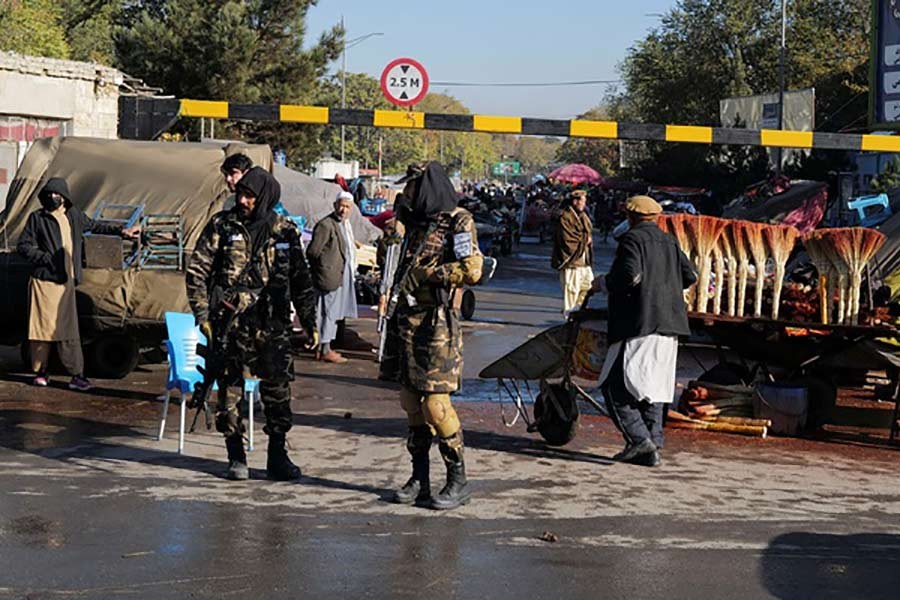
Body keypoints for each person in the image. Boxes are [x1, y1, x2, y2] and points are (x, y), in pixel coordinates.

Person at [186, 167, 317, 481]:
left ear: (266, 196)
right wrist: (203, 316)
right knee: (229, 393)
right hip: (231, 326)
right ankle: (236, 456)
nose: (243, 200)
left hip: (273, 326)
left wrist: (310, 321)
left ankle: (277, 457)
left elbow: (301, 281)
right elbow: (197, 273)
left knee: (278, 393)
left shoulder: (285, 231)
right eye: (240, 193)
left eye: (250, 195)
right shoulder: (222, 224)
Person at [380, 162, 483, 510]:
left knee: (436, 405)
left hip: (436, 325)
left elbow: (472, 269)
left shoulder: (457, 220)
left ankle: (458, 480)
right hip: (405, 322)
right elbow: (390, 262)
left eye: (410, 187)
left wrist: (430, 275)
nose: (405, 193)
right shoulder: (412, 223)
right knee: (410, 403)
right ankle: (419, 478)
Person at [593, 195, 697, 467]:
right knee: (655, 387)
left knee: (615, 387)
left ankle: (640, 440)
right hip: (669, 324)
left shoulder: (632, 240)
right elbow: (691, 276)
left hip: (638, 323)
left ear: (630, 217)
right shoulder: (670, 241)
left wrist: (602, 283)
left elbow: (629, 275)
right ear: (657, 217)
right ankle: (653, 444)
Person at [17, 178, 139, 390]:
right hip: (44, 282)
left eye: (56, 194)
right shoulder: (38, 218)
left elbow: (95, 226)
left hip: (66, 284)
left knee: (68, 332)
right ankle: (41, 372)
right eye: (48, 195)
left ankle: (77, 375)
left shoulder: (74, 216)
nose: (52, 198)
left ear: (64, 196)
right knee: (41, 332)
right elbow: (24, 246)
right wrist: (46, 258)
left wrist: (122, 232)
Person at [306, 191, 359, 364]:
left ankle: (324, 347)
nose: (344, 210)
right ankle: (324, 348)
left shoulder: (343, 224)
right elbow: (313, 251)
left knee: (332, 313)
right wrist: (322, 269)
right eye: (342, 206)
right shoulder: (326, 225)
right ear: (335, 205)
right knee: (326, 313)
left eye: (347, 207)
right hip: (328, 276)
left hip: (338, 276)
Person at [552, 189, 594, 316]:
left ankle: (579, 311)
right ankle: (569, 317)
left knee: (589, 287)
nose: (584, 204)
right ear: (575, 202)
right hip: (572, 262)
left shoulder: (582, 215)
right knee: (571, 291)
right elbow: (567, 239)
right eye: (583, 201)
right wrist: (585, 240)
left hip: (584, 261)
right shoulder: (565, 216)